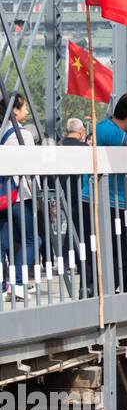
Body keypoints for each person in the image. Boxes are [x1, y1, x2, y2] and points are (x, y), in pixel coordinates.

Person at [77, 92, 127, 294]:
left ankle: (105, 291)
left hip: (116, 201)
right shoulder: (105, 129)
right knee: (97, 250)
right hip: (96, 200)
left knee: (115, 251)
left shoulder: (123, 131)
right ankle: (92, 291)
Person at [1, 94, 40, 300]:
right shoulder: (22, 134)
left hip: (2, 196)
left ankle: (4, 283)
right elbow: (31, 164)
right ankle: (16, 282)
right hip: (18, 195)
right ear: (14, 110)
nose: (26, 110)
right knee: (34, 239)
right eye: (24, 106)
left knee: (5, 241)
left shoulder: (2, 132)